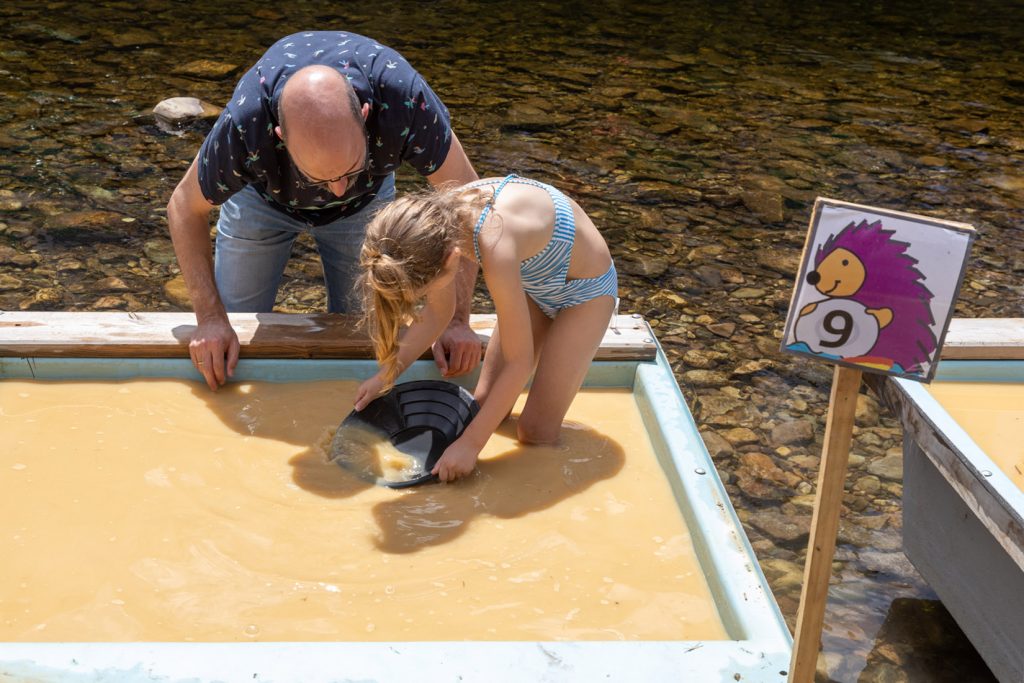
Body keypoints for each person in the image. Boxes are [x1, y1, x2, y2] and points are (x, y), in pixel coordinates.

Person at [166, 31, 481, 391]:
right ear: (281, 136)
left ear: (365, 115)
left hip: (366, 207)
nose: (337, 189)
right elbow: (183, 207)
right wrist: (209, 319)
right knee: (232, 331)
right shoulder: (246, 125)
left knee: (365, 331)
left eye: (349, 169)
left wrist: (457, 319)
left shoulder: (403, 100)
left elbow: (466, 202)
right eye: (320, 177)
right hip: (262, 202)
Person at [353, 174, 618, 482]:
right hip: (534, 286)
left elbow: (520, 362)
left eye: (426, 289)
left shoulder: (495, 242)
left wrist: (471, 445)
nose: (427, 296)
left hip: (585, 293)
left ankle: (543, 486)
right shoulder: (434, 231)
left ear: (451, 258)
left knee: (534, 431)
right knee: (479, 411)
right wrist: (385, 375)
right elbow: (439, 314)